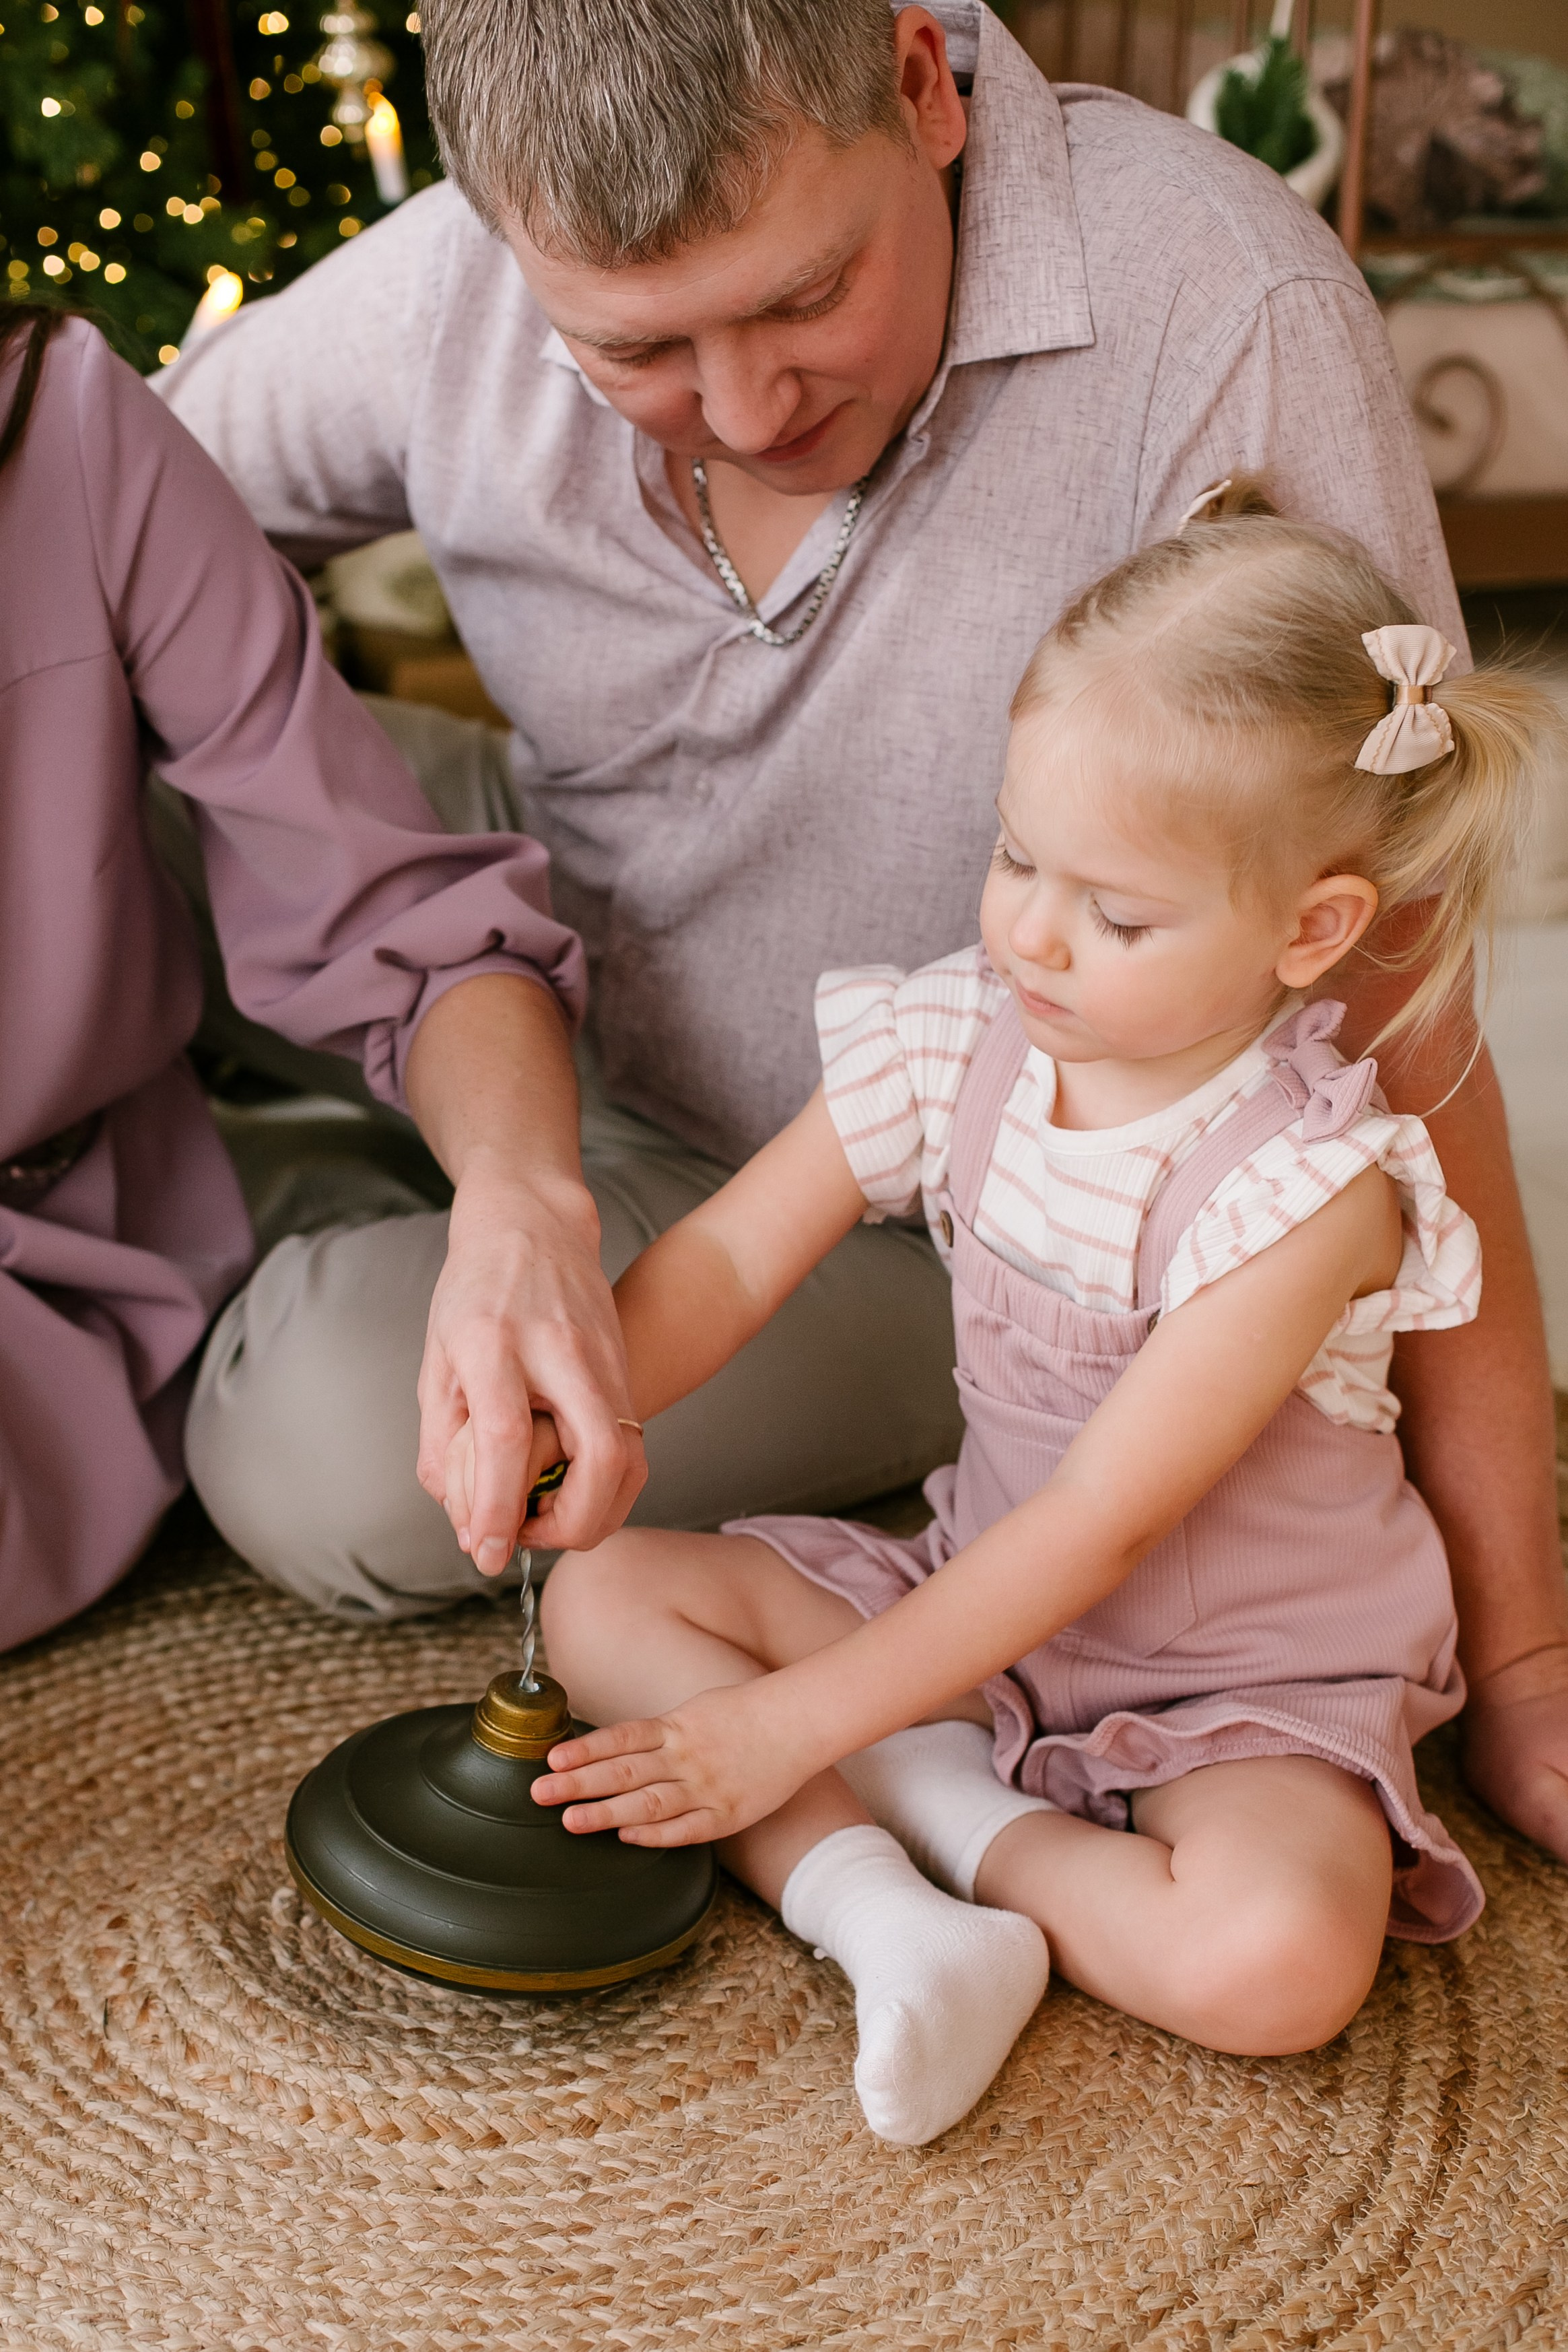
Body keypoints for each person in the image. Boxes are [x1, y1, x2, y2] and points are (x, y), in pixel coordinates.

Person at [160, 0, 1568, 1861]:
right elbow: (108, 526)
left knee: (331, 1439)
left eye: (805, 297)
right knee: (110, 764)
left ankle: (272, 1199)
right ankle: (321, 1185)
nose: (745, 410)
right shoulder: (450, 289)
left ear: (921, 82)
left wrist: (1529, 1643)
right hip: (581, 944)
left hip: (945, 1200)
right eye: (635, 349)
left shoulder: (1219, 302)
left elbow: (1395, 984)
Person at [524, 489, 1552, 2145]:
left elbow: (1093, 1519)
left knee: (1278, 1963)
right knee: (607, 1601)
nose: (1030, 932)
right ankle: (892, 1914)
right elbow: (719, 1264)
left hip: (1240, 1679)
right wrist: (574, 1397)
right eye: (1016, 855)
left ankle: (934, 1823)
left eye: (1116, 913)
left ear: (1312, 929)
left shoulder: (1307, 1188)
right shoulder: (954, 1040)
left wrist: (790, 1728)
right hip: (973, 1612)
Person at [0, 302, 648, 1654]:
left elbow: (400, 913)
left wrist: (520, 1205)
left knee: (336, 1435)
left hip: (76, 1240)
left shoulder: (61, 420)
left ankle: (311, 1195)